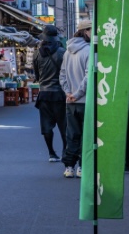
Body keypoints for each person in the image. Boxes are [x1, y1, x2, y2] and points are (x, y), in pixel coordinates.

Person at [59, 21, 92, 178]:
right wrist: (77, 94)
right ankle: (81, 166)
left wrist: (68, 93)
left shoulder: (67, 52)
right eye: (92, 30)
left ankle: (69, 167)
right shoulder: (88, 51)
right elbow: (88, 76)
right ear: (85, 31)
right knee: (86, 135)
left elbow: (62, 75)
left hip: (70, 101)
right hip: (84, 100)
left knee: (71, 134)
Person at [32, 26, 67, 162]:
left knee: (46, 125)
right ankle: (65, 151)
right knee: (63, 124)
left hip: (44, 94)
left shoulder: (36, 54)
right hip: (60, 94)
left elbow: (36, 75)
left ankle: (51, 153)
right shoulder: (62, 53)